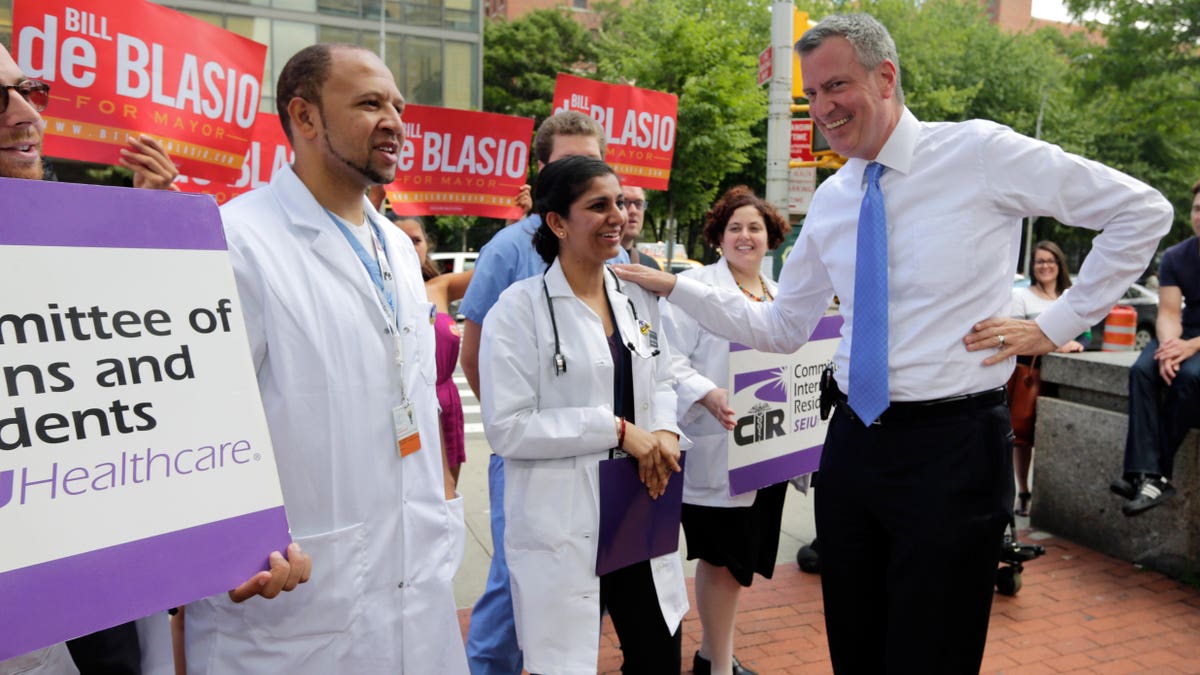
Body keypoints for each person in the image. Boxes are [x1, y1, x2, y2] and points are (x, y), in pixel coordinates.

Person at [613, 13, 1172, 673]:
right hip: (852, 448)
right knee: (856, 646)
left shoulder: (979, 152)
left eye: (836, 86)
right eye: (811, 93)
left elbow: (1142, 212)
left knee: (933, 652)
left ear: (886, 76)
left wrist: (1054, 325)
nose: (822, 107)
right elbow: (782, 328)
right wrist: (678, 288)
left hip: (955, 449)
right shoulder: (832, 199)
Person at [0, 41, 288, 675]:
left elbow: (142, 373)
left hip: (93, 574)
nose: (26, 114)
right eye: (0, 98)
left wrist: (149, 228)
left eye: (30, 91)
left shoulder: (64, 230)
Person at [182, 43, 467, 672]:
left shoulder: (394, 245)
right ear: (304, 117)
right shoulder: (236, 242)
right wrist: (231, 546)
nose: (394, 118)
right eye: (369, 103)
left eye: (397, 103)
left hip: (411, 584)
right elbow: (194, 430)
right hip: (291, 595)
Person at [479, 156, 687, 674]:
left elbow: (661, 374)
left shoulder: (636, 295)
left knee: (657, 655)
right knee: (565, 663)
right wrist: (615, 430)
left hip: (639, 501)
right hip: (565, 516)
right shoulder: (518, 309)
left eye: (619, 202)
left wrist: (661, 429)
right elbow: (508, 427)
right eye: (598, 205)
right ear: (557, 222)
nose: (617, 214)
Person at [459, 110, 627, 675]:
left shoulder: (617, 252)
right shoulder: (508, 250)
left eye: (593, 161)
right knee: (515, 583)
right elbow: (475, 354)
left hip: (607, 456)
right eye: (567, 163)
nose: (583, 173)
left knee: (586, 585)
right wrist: (521, 432)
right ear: (541, 174)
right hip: (536, 456)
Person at [659, 186, 791, 675]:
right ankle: (716, 668)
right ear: (718, 235)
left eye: (754, 227)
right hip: (718, 447)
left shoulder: (779, 295)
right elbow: (667, 359)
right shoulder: (696, 288)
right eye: (734, 227)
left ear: (770, 236)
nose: (745, 236)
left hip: (769, 448)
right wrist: (705, 392)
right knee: (721, 560)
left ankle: (713, 654)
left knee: (741, 566)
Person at [1110, 180, 1200, 516]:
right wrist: (1168, 346)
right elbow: (1168, 312)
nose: (1199, 215)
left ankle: (1154, 474)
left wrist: (1189, 348)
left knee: (1190, 377)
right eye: (1196, 208)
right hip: (1183, 330)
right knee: (1142, 369)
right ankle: (1143, 474)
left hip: (1198, 342)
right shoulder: (1177, 256)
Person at [1008, 241, 1086, 516]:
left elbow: (1086, 335)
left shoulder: (1069, 297)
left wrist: (1075, 343)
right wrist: (1056, 343)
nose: (1044, 266)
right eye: (1039, 261)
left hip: (1061, 378)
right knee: (1023, 437)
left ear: (1059, 264)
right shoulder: (1021, 297)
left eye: (1049, 260)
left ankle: (1054, 498)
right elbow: (1017, 338)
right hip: (1030, 376)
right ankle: (1024, 492)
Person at [394, 215, 472, 488]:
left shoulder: (441, 287)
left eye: (416, 240)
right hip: (405, 407)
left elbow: (497, 267)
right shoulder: (377, 293)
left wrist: (519, 221)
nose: (409, 247)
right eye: (400, 240)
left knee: (447, 495)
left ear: (428, 244)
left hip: (447, 402)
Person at [620, 185, 661, 270]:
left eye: (639, 204)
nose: (633, 211)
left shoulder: (650, 267)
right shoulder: (592, 261)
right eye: (624, 203)